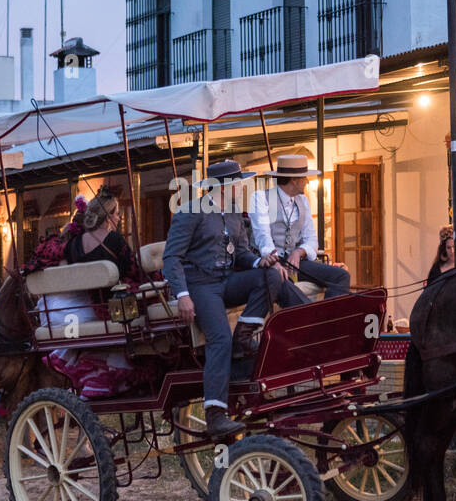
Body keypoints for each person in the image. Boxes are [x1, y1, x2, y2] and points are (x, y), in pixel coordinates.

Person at [163, 159, 309, 438]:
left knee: (273, 275)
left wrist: (260, 261)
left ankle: (256, 331)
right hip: (201, 285)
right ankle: (215, 415)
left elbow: (240, 253)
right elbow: (172, 258)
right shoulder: (191, 211)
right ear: (226, 186)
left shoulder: (232, 214)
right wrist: (183, 294)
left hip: (226, 281)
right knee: (219, 339)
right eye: (238, 184)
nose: (242, 188)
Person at [44, 188, 152, 398]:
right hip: (114, 309)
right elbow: (133, 270)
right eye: (118, 213)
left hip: (86, 307)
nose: (120, 217)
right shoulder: (114, 240)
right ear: (108, 216)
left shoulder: (74, 244)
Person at [252, 155, 350, 298]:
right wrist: (275, 262)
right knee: (288, 289)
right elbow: (263, 238)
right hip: (271, 264)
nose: (307, 182)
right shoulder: (261, 198)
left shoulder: (302, 200)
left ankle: (330, 317)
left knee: (341, 276)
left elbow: (312, 240)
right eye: (304, 178)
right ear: (294, 180)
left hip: (295, 263)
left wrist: (298, 252)